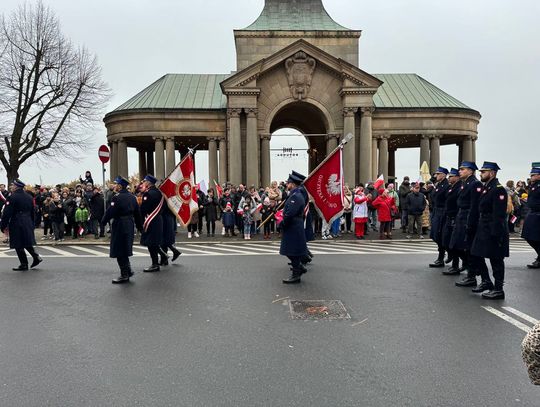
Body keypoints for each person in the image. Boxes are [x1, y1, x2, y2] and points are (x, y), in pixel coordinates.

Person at [470, 162, 509, 299]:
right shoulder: (487, 188)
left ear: (492, 173)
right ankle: (486, 280)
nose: (480, 174)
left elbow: (498, 215)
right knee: (475, 254)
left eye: (483, 172)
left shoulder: (498, 189)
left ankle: (499, 289)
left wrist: (496, 233)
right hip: (483, 227)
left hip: (493, 228)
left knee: (496, 259)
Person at [101, 176, 143, 284]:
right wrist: (140, 227)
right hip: (129, 224)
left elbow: (110, 212)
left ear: (119, 186)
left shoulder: (116, 197)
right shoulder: (132, 197)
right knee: (125, 248)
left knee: (119, 249)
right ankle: (128, 271)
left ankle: (124, 275)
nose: (114, 186)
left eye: (116, 184)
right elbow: (137, 214)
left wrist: (103, 222)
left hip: (119, 224)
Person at [451, 161, 484, 288]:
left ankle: (472, 275)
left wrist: (470, 222)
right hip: (461, 216)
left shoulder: (475, 183)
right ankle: (471, 268)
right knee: (456, 245)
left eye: (463, 169)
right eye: (460, 169)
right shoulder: (466, 183)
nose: (460, 171)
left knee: (467, 247)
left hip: (468, 217)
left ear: (470, 171)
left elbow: (474, 205)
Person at [0, 179, 42, 271]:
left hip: (17, 221)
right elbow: (32, 211)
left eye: (13, 185)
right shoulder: (29, 197)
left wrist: (3, 225)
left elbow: (7, 213)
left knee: (18, 243)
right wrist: (32, 223)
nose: (11, 187)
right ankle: (36, 257)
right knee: (26, 241)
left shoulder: (12, 197)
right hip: (27, 221)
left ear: (16, 187)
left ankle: (24, 264)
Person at [280, 172, 309, 284]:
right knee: (290, 250)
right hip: (293, 226)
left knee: (291, 251)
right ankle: (298, 269)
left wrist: (282, 223)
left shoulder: (296, 196)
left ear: (292, 184)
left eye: (288, 183)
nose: (287, 184)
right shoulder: (294, 194)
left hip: (293, 226)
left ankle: (296, 273)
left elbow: (290, 213)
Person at [139, 174, 164, 272]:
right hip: (158, 220)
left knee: (151, 244)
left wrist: (140, 223)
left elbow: (143, 210)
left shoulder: (148, 194)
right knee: (155, 242)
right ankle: (162, 256)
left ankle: (155, 264)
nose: (143, 183)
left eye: (144, 181)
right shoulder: (159, 193)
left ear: (148, 183)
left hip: (151, 221)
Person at [441, 168, 463, 275]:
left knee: (453, 243)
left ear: (457, 177)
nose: (449, 178)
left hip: (455, 217)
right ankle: (457, 263)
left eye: (451, 176)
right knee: (447, 241)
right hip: (449, 216)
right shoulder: (451, 187)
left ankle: (457, 265)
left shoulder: (459, 187)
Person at [429, 167, 450, 267]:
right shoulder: (438, 185)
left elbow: (447, 201)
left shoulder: (446, 185)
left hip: (442, 212)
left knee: (440, 235)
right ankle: (443, 255)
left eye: (438, 174)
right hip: (436, 212)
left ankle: (442, 257)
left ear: (444, 175)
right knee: (435, 235)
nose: (436, 176)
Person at [521, 167, 540, 268]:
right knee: (528, 236)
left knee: (535, 237)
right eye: (531, 175)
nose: (531, 177)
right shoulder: (533, 185)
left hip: (538, 214)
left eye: (533, 175)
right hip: (532, 212)